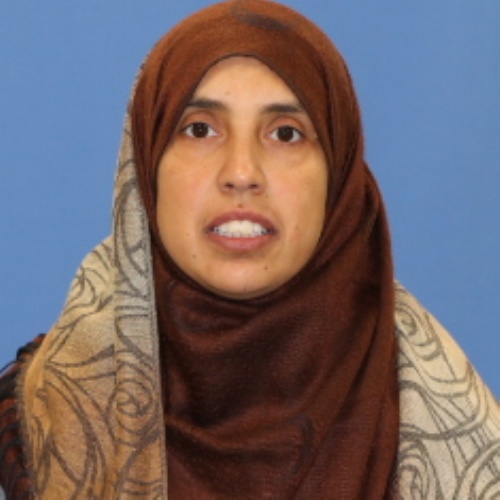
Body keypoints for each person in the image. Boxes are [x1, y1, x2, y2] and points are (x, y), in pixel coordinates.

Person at [0, 0, 498, 498]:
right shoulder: (44, 415)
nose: (241, 172)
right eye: (199, 129)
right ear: (147, 165)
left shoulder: (449, 425)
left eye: (286, 134)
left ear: (339, 177)